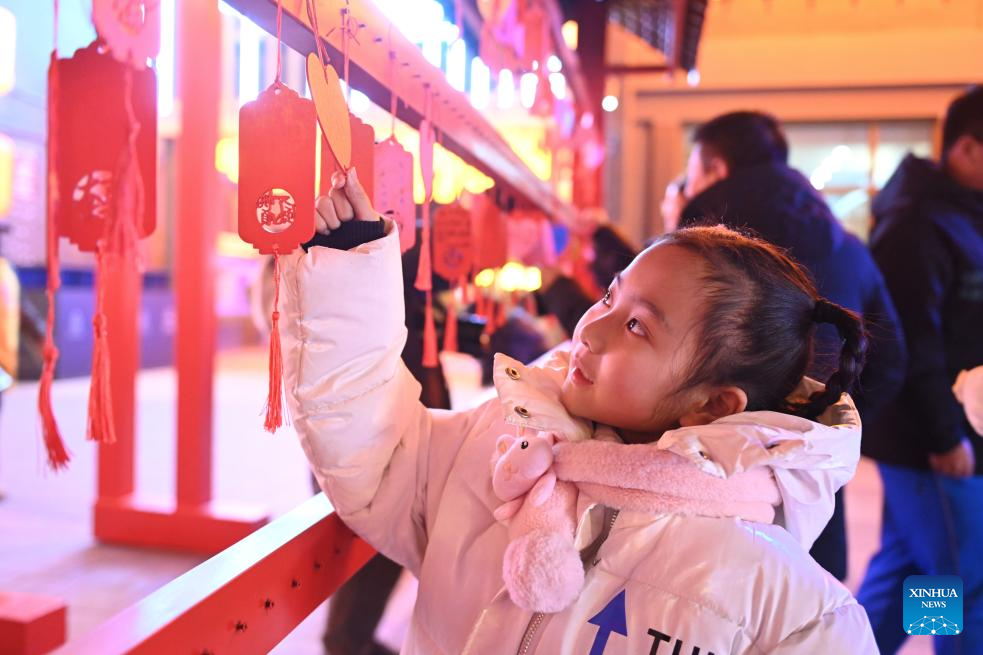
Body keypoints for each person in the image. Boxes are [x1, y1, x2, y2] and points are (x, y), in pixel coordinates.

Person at [279, 168, 877, 653]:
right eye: (610, 296)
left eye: (638, 327)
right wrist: (345, 274)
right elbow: (376, 450)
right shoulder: (499, 443)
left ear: (712, 404)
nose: (591, 330)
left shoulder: (797, 613)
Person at [678, 111, 907, 582]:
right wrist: (825, 429)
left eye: (692, 171)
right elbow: (891, 360)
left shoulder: (705, 241)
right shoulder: (844, 244)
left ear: (717, 169)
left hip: (712, 495)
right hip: (813, 504)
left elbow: (663, 349)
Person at [857, 85, 983, 655]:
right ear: (967, 150)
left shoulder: (959, 218)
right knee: (964, 580)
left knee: (917, 572)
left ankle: (852, 648)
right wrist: (944, 435)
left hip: (947, 433)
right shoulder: (916, 227)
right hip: (932, 440)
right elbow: (912, 341)